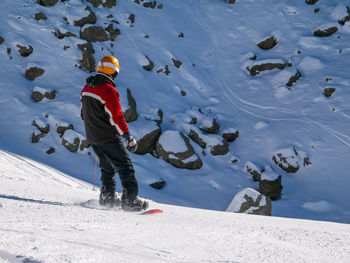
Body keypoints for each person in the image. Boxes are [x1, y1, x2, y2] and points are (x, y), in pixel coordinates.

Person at [80, 55, 148, 211]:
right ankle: (130, 201)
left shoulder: (87, 88)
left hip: (93, 136)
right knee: (125, 166)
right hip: (108, 137)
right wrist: (128, 137)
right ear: (114, 72)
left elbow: (83, 114)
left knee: (107, 166)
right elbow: (116, 117)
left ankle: (107, 197)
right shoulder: (108, 90)